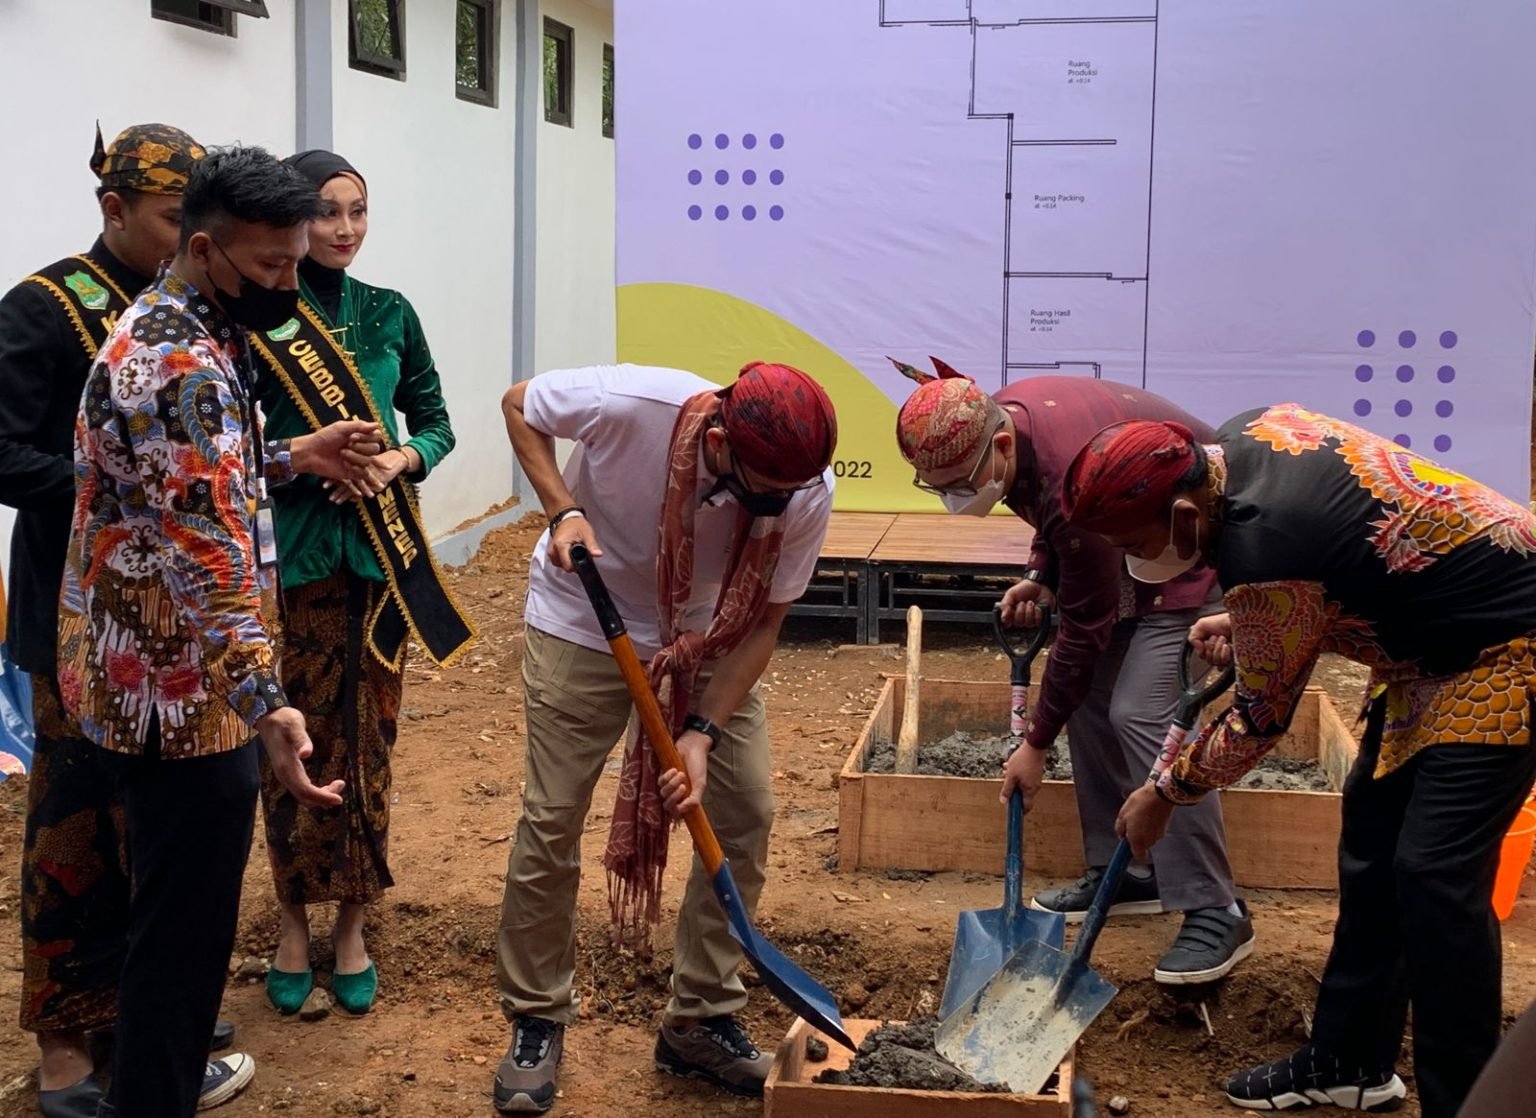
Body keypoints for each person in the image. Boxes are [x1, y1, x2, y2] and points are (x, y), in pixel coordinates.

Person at [1061, 404, 1536, 1118]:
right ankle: (1350, 1062)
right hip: (1426, 652)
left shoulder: (1266, 548)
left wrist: (1164, 793)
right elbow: (1341, 551)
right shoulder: (1237, 442)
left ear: (1186, 514)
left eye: (1133, 540)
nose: (1132, 558)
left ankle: (1470, 1102)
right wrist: (1254, 621)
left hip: (1507, 649)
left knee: (1435, 877)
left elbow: (1259, 722)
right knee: (1373, 852)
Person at [56, 144, 385, 1118]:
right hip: (178, 697)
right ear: (205, 249)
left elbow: (198, 471)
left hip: (166, 677)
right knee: (181, 941)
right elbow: (202, 553)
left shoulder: (193, 325)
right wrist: (268, 703)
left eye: (295, 261)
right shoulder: (177, 363)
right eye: (273, 265)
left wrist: (292, 453)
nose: (290, 283)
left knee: (175, 927)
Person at [492, 362, 837, 1111]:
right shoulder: (633, 404)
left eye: (792, 491)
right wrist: (561, 510)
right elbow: (520, 406)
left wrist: (702, 732)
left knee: (745, 812)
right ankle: (536, 1015)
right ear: (718, 442)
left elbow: (768, 621)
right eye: (766, 490)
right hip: (583, 621)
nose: (779, 504)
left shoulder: (805, 485)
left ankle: (700, 1019)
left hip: (709, 637)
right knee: (553, 817)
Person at [0, 122, 252, 1118]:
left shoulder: (189, 307)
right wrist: (110, 484)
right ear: (113, 208)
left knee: (157, 836)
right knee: (72, 833)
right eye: (169, 218)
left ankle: (146, 1024)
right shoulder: (45, 307)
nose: (188, 238)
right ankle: (66, 1043)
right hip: (77, 621)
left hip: (173, 631)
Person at [891, 360, 1252, 983]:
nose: (953, 498)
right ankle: (1129, 869)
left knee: (1140, 711)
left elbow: (1084, 629)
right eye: (936, 486)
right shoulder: (1004, 425)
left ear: (1001, 446)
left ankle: (1216, 906)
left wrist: (1035, 743)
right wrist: (1040, 573)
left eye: (958, 483)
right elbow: (1050, 518)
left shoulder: (1058, 466)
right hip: (1127, 540)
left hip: (1190, 541)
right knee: (1090, 702)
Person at [250, 148, 468, 1017]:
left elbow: (437, 422)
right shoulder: (257, 317)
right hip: (291, 567)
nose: (344, 229)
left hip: (380, 569)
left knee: (369, 742)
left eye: (357, 210)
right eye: (326, 212)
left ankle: (352, 922)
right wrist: (303, 462)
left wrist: (399, 462)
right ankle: (290, 919)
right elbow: (226, 450)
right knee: (291, 743)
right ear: (293, 219)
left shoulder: (389, 312)